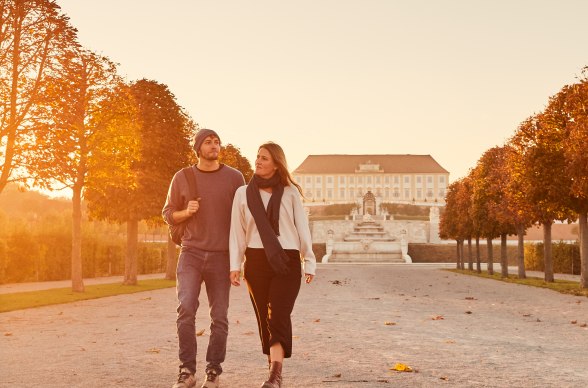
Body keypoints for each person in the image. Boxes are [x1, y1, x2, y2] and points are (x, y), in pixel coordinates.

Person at [229, 141, 316, 388]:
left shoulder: (290, 193)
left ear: (277, 164)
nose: (258, 161)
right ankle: (273, 370)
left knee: (278, 314)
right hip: (256, 261)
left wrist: (309, 261)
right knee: (264, 318)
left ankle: (275, 374)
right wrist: (235, 264)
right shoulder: (242, 193)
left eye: (264, 158)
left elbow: (302, 229)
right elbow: (237, 231)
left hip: (286, 261)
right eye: (257, 156)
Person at [162, 129, 245, 388]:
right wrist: (186, 212)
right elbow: (168, 213)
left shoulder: (235, 178)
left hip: (222, 256)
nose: (214, 146)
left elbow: (244, 218)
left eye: (216, 142)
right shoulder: (182, 177)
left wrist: (239, 260)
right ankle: (187, 371)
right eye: (208, 142)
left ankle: (213, 370)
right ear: (198, 148)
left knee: (219, 316)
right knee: (186, 309)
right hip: (191, 253)